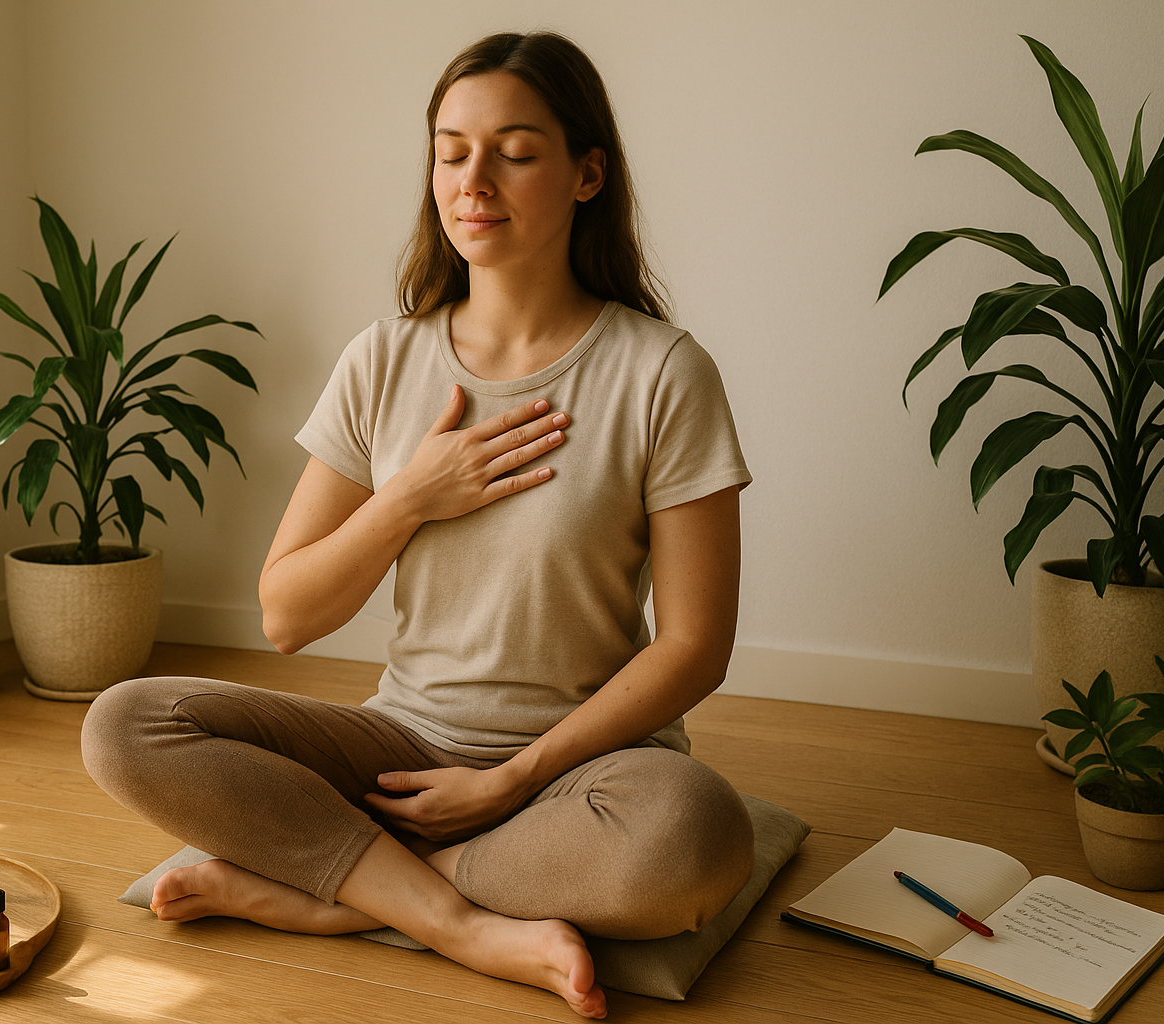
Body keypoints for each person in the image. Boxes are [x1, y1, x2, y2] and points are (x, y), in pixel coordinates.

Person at [82, 31, 754, 1019]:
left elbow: (696, 646)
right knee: (124, 723)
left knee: (693, 839)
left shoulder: (662, 372)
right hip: (402, 747)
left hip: (587, 771)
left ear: (586, 173)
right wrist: (408, 497)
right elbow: (287, 614)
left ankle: (328, 895)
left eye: (515, 151)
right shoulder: (384, 359)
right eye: (451, 150)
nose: (474, 179)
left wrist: (515, 776)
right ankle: (459, 921)